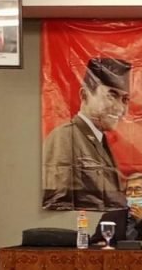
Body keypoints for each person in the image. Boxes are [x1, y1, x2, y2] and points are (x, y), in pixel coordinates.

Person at [42, 57, 132, 210]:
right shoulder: (65, 138)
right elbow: (57, 204)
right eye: (112, 96)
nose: (120, 108)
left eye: (125, 99)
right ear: (84, 95)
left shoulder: (99, 139)